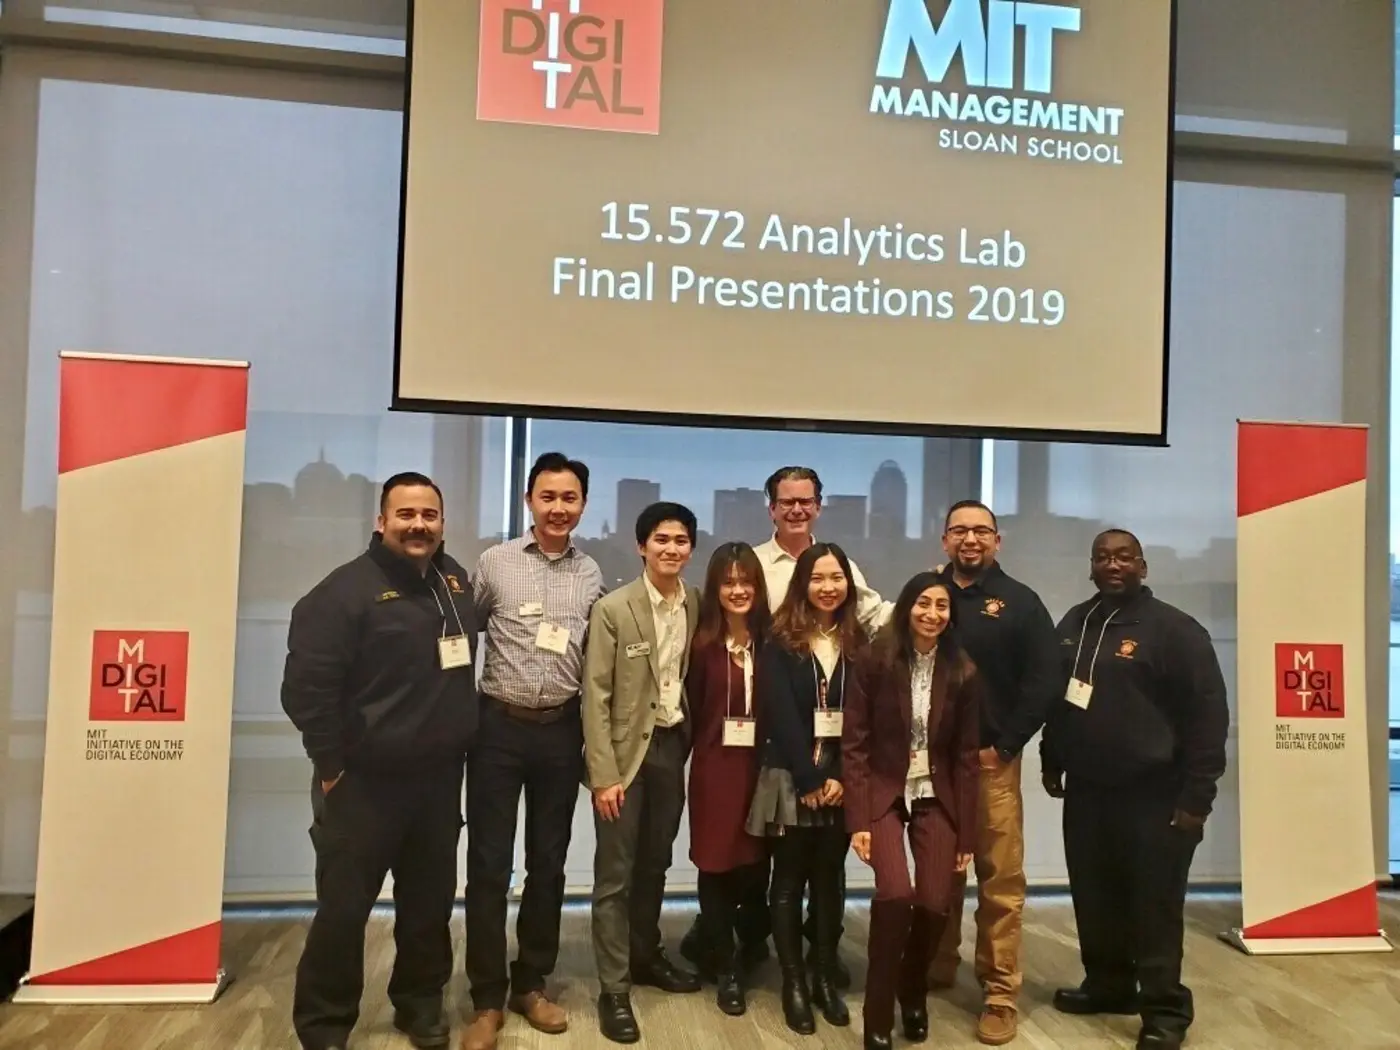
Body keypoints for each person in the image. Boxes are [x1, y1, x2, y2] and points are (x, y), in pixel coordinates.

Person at [282, 472, 478, 1050]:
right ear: (381, 521)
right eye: (406, 514)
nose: (418, 524)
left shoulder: (455, 582)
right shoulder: (341, 593)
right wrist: (330, 765)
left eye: (429, 515)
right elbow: (306, 691)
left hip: (439, 784)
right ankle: (323, 1026)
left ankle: (419, 1006)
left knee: (429, 908)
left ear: (442, 522)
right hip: (362, 786)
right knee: (343, 914)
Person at [1042, 529, 1228, 1050]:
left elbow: (1208, 719)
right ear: (1092, 567)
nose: (1113, 564)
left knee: (1154, 905)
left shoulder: (1175, 631)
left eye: (1124, 557)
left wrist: (1198, 798)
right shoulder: (1076, 623)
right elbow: (1059, 697)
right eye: (1103, 557)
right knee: (1094, 895)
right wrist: (1051, 755)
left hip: (1157, 795)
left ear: (1143, 567)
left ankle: (1166, 1011)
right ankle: (1108, 985)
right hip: (1087, 792)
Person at [460, 452, 604, 1050]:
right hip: (496, 729)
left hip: (559, 732)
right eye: (548, 497)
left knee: (549, 863)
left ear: (582, 505)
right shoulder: (493, 565)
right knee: (489, 867)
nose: (558, 508)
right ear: (528, 501)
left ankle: (532, 983)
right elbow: (456, 642)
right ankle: (486, 998)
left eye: (569, 498)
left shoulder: (592, 574)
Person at [930, 500, 1060, 1046]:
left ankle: (1000, 992)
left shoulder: (1022, 604)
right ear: (944, 540)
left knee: (999, 882)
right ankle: (936, 967)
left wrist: (1006, 747)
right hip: (932, 765)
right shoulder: (925, 596)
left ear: (997, 541)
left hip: (990, 764)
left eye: (981, 531)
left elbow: (1044, 681)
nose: (970, 540)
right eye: (959, 530)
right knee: (936, 873)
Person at [583, 502, 704, 1044]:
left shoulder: (695, 602)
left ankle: (644, 955)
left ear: (691, 548)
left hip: (671, 748)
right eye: (661, 539)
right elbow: (596, 695)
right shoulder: (614, 608)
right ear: (641, 546)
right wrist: (603, 776)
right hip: (624, 758)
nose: (671, 548)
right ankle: (614, 988)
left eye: (681, 540)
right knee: (615, 875)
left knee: (656, 862)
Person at [845, 572, 980, 1050]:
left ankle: (913, 990)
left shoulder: (962, 671)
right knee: (896, 895)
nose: (932, 614)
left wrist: (968, 835)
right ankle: (877, 1015)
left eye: (942, 607)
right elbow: (855, 744)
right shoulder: (875, 660)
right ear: (906, 607)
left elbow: (965, 758)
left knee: (933, 901)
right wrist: (857, 821)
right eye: (923, 603)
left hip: (935, 793)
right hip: (883, 791)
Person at [746, 543, 867, 1035]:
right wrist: (810, 776)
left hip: (842, 779)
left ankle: (823, 975)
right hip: (792, 773)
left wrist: (838, 775)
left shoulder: (860, 641)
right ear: (802, 584)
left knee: (830, 879)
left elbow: (862, 717)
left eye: (836, 576)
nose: (828, 586)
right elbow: (779, 713)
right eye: (818, 577)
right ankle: (793, 982)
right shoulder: (780, 638)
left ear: (848, 583)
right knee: (789, 878)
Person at [683, 542, 773, 1017]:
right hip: (715, 770)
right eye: (729, 582)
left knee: (755, 866)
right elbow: (694, 709)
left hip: (762, 771)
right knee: (715, 867)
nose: (738, 590)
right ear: (715, 587)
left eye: (746, 581)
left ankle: (749, 944)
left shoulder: (774, 642)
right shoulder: (701, 644)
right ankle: (725, 968)